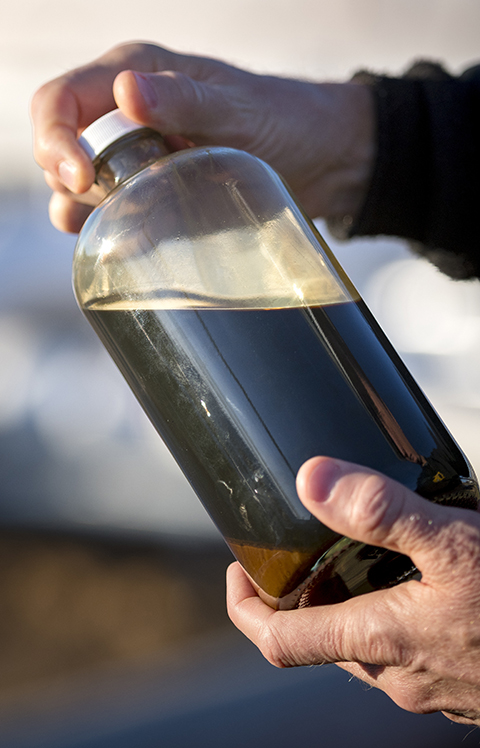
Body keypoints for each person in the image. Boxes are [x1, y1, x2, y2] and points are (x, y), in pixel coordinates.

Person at [31, 41, 480, 725]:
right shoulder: (162, 216)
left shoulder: (221, 185)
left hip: (330, 554)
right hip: (420, 494)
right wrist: (368, 136)